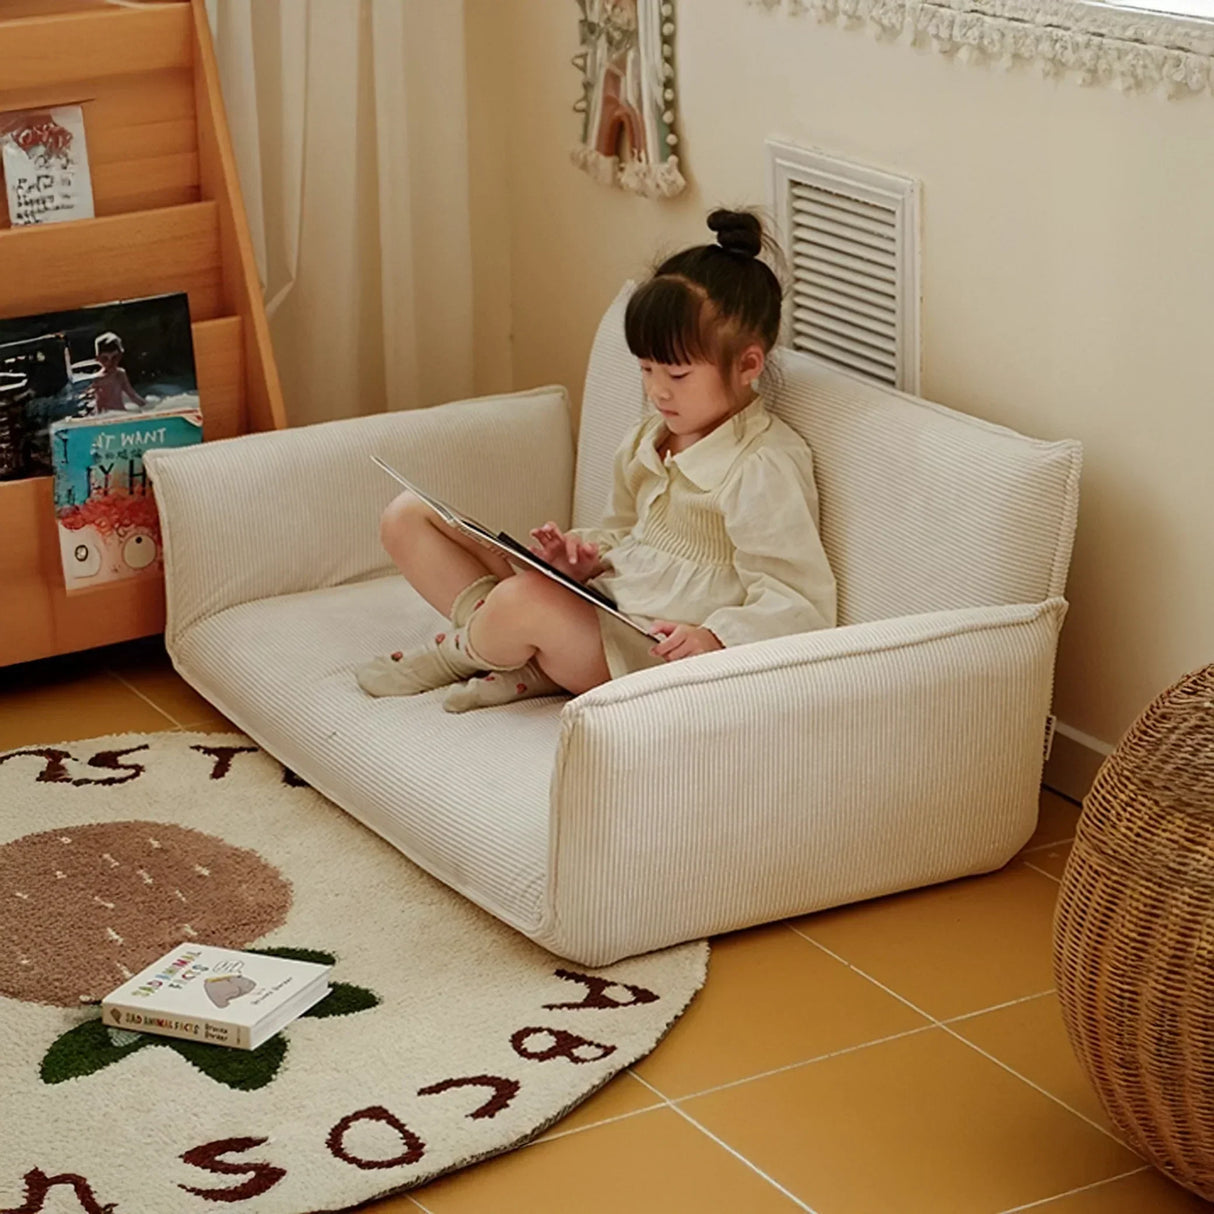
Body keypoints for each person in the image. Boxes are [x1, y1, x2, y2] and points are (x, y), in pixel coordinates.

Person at [356, 208, 837, 712]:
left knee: (522, 602)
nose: (656, 391)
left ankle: (459, 654)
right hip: (598, 609)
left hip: (645, 656)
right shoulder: (649, 440)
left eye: (676, 374)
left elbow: (800, 601)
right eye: (647, 368)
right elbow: (623, 536)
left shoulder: (763, 465)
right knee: (407, 517)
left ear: (747, 365)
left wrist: (715, 636)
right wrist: (578, 560)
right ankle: (518, 655)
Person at [87, 332, 146, 414]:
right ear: (98, 359)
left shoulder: (120, 374)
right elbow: (94, 403)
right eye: (105, 359)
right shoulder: (97, 379)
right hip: (106, 416)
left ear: (120, 356)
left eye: (115, 358)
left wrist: (149, 407)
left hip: (121, 413)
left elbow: (133, 395)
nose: (109, 363)